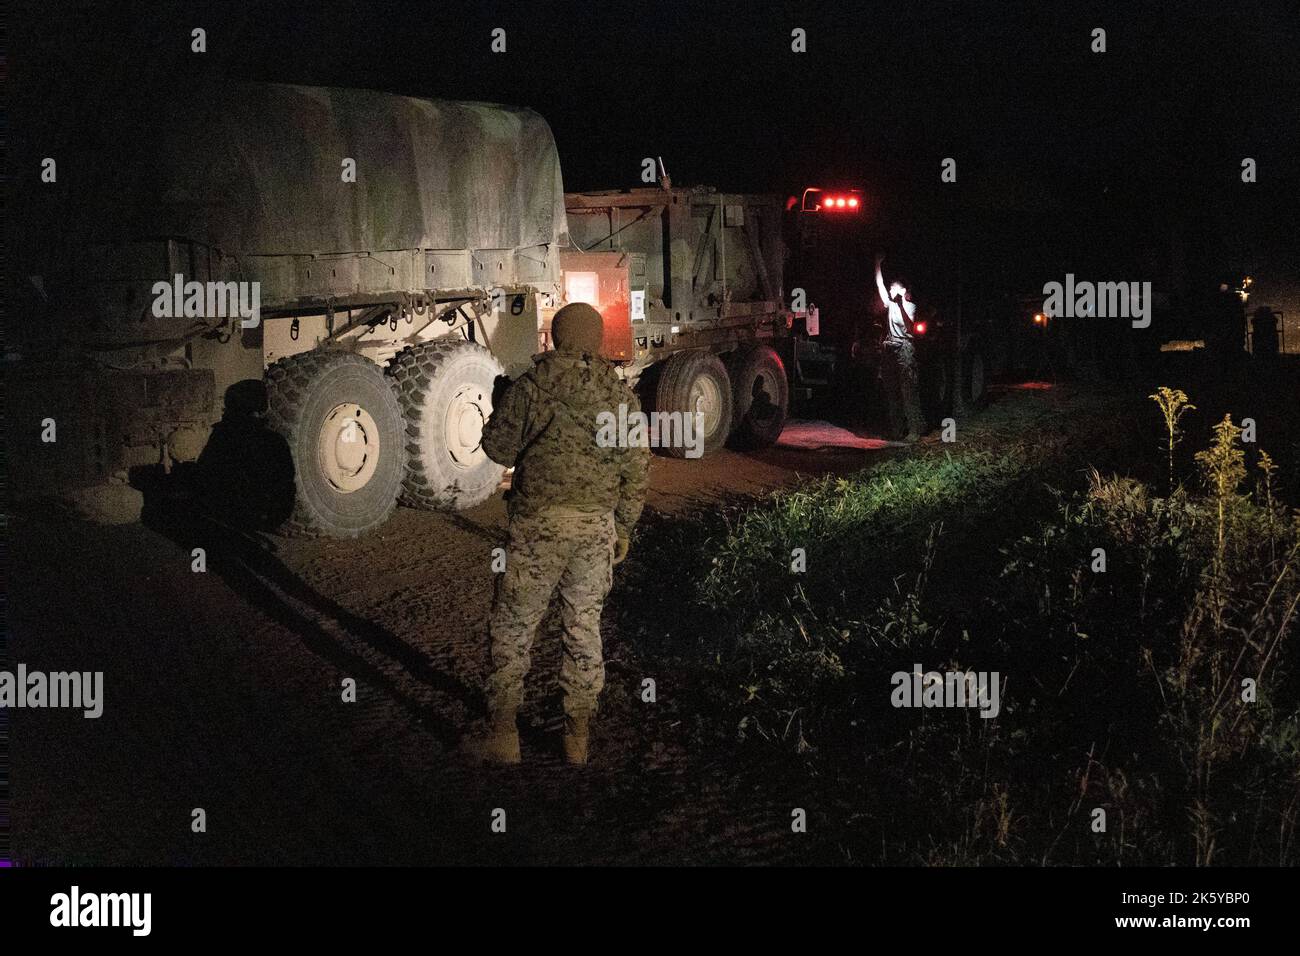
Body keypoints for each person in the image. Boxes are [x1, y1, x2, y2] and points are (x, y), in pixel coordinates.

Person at [467, 302, 650, 766]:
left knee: (513, 626)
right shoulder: (620, 397)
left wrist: (499, 401)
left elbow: (497, 448)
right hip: (595, 528)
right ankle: (577, 738)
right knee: (583, 628)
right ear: (598, 341)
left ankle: (504, 735)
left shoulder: (531, 389)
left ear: (554, 337)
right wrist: (623, 527)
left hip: (536, 525)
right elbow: (636, 470)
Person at [874, 253, 925, 442]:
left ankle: (915, 429)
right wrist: (877, 265)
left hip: (905, 348)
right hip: (890, 348)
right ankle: (897, 429)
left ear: (903, 290)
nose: (890, 289)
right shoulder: (889, 304)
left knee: (908, 390)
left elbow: (911, 327)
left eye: (894, 287)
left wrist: (901, 304)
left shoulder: (910, 306)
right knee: (892, 391)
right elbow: (879, 285)